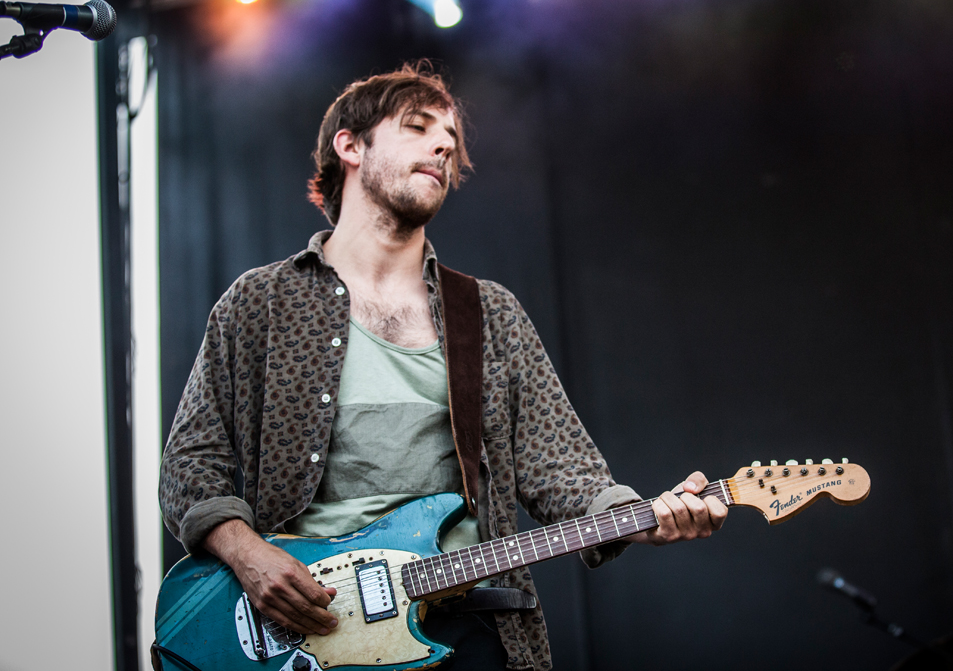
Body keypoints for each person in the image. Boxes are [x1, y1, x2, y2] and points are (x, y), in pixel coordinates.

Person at [158, 62, 727, 670]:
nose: (444, 146)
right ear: (350, 146)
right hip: (305, 637)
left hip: (464, 625)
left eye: (450, 141)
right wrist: (248, 554)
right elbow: (192, 462)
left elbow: (561, 466)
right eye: (418, 127)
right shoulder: (261, 304)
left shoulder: (488, 313)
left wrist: (639, 517)